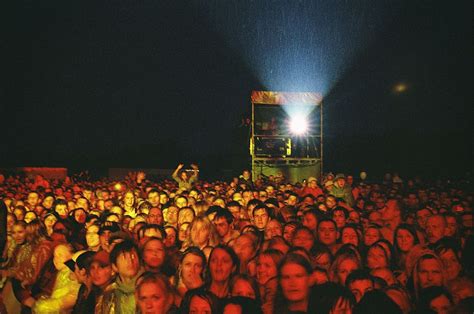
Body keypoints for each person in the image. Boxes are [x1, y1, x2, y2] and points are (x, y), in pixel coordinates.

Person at [96, 240, 143, 313]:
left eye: (133, 256)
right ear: (114, 266)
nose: (130, 261)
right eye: (124, 258)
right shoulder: (109, 293)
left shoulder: (149, 287)